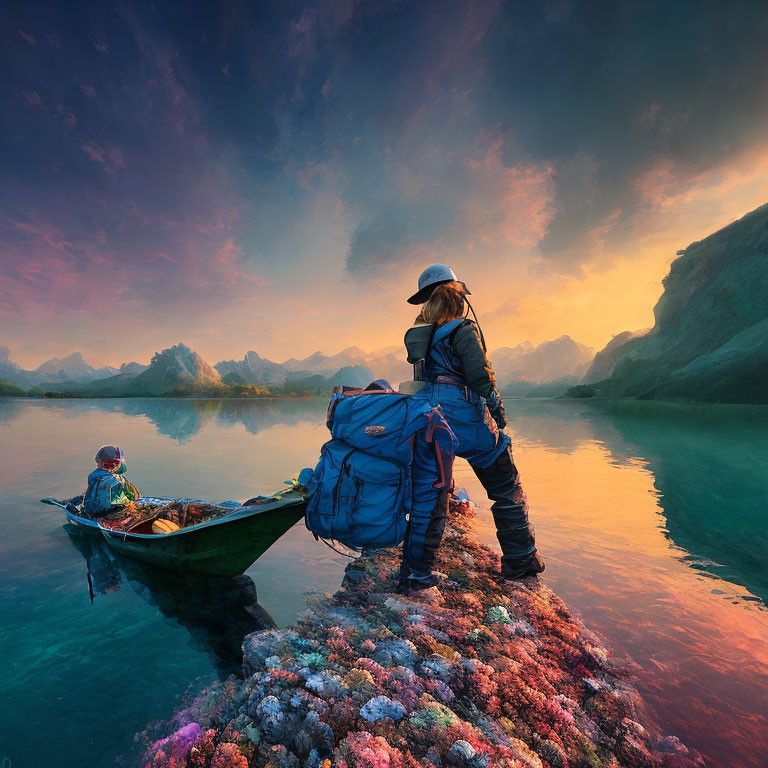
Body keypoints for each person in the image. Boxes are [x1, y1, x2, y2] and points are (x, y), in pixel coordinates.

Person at [402, 264, 545, 584]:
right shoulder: (462, 329)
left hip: (430, 420)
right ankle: (520, 561)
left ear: (428, 301)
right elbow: (481, 376)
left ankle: (415, 572)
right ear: (457, 295)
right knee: (506, 485)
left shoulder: (421, 337)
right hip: (468, 418)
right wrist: (498, 413)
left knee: (431, 495)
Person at [83, 445, 140, 518]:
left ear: (99, 461)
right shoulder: (116, 479)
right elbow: (133, 496)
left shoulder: (95, 477)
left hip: (99, 512)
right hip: (111, 512)